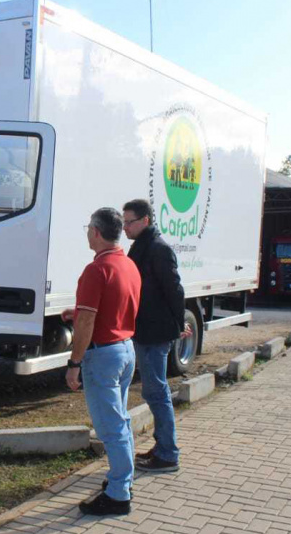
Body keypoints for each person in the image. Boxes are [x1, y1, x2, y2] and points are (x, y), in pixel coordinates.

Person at [62, 207, 141, 516]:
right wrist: (79, 311)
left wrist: (74, 364)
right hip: (125, 349)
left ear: (95, 232)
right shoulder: (128, 265)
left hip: (103, 356)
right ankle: (122, 482)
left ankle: (119, 494)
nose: (86, 233)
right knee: (121, 421)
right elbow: (112, 306)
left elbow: (86, 325)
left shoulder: (96, 270)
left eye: (87, 228)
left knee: (111, 428)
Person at [121, 199, 191, 474]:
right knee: (154, 391)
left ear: (145, 221)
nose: (125, 227)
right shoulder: (141, 247)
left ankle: (167, 454)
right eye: (124, 222)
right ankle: (163, 447)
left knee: (156, 392)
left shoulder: (158, 249)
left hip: (155, 331)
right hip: (146, 329)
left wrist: (177, 322)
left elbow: (175, 289)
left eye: (130, 222)